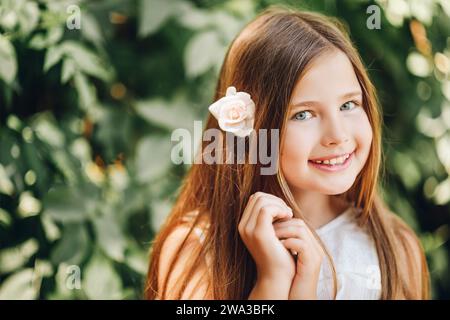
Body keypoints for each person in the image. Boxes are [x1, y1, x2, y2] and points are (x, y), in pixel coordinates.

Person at [144, 6, 429, 300]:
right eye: (304, 114)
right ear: (253, 131)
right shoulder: (197, 250)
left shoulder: (394, 249)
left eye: (348, 105)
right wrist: (273, 279)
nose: (338, 135)